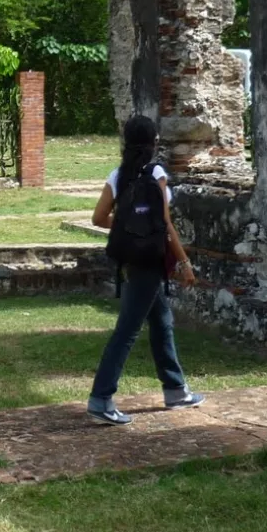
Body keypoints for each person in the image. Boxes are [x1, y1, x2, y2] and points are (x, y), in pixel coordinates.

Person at [86, 114, 204, 426]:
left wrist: (128, 229)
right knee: (126, 331)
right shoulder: (157, 173)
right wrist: (184, 262)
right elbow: (164, 224)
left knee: (162, 321)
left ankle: (175, 389)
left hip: (130, 258)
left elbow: (98, 218)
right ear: (153, 143)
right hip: (152, 259)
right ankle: (101, 397)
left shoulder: (119, 175)